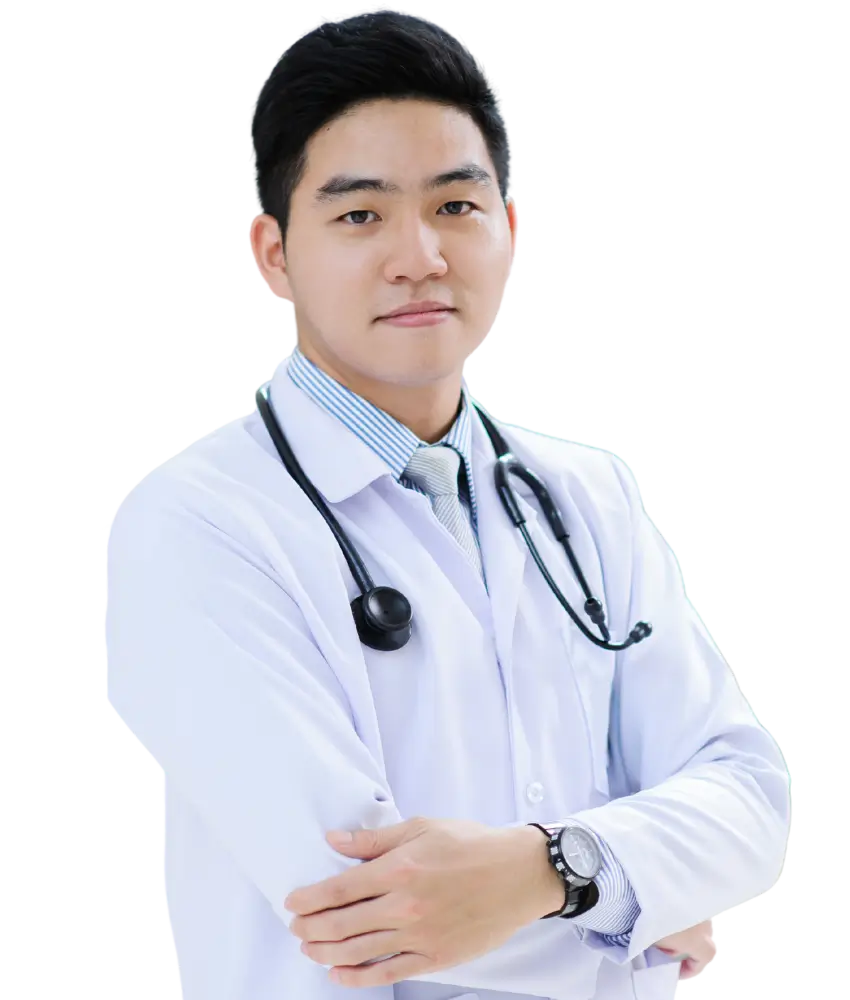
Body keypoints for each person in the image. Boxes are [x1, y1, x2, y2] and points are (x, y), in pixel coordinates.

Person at [104, 8, 790, 999]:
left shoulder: (586, 491)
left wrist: (557, 873)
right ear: (271, 252)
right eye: (358, 214)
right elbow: (356, 904)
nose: (418, 254)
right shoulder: (193, 525)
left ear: (508, 227)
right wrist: (645, 898)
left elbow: (750, 797)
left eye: (455, 206)